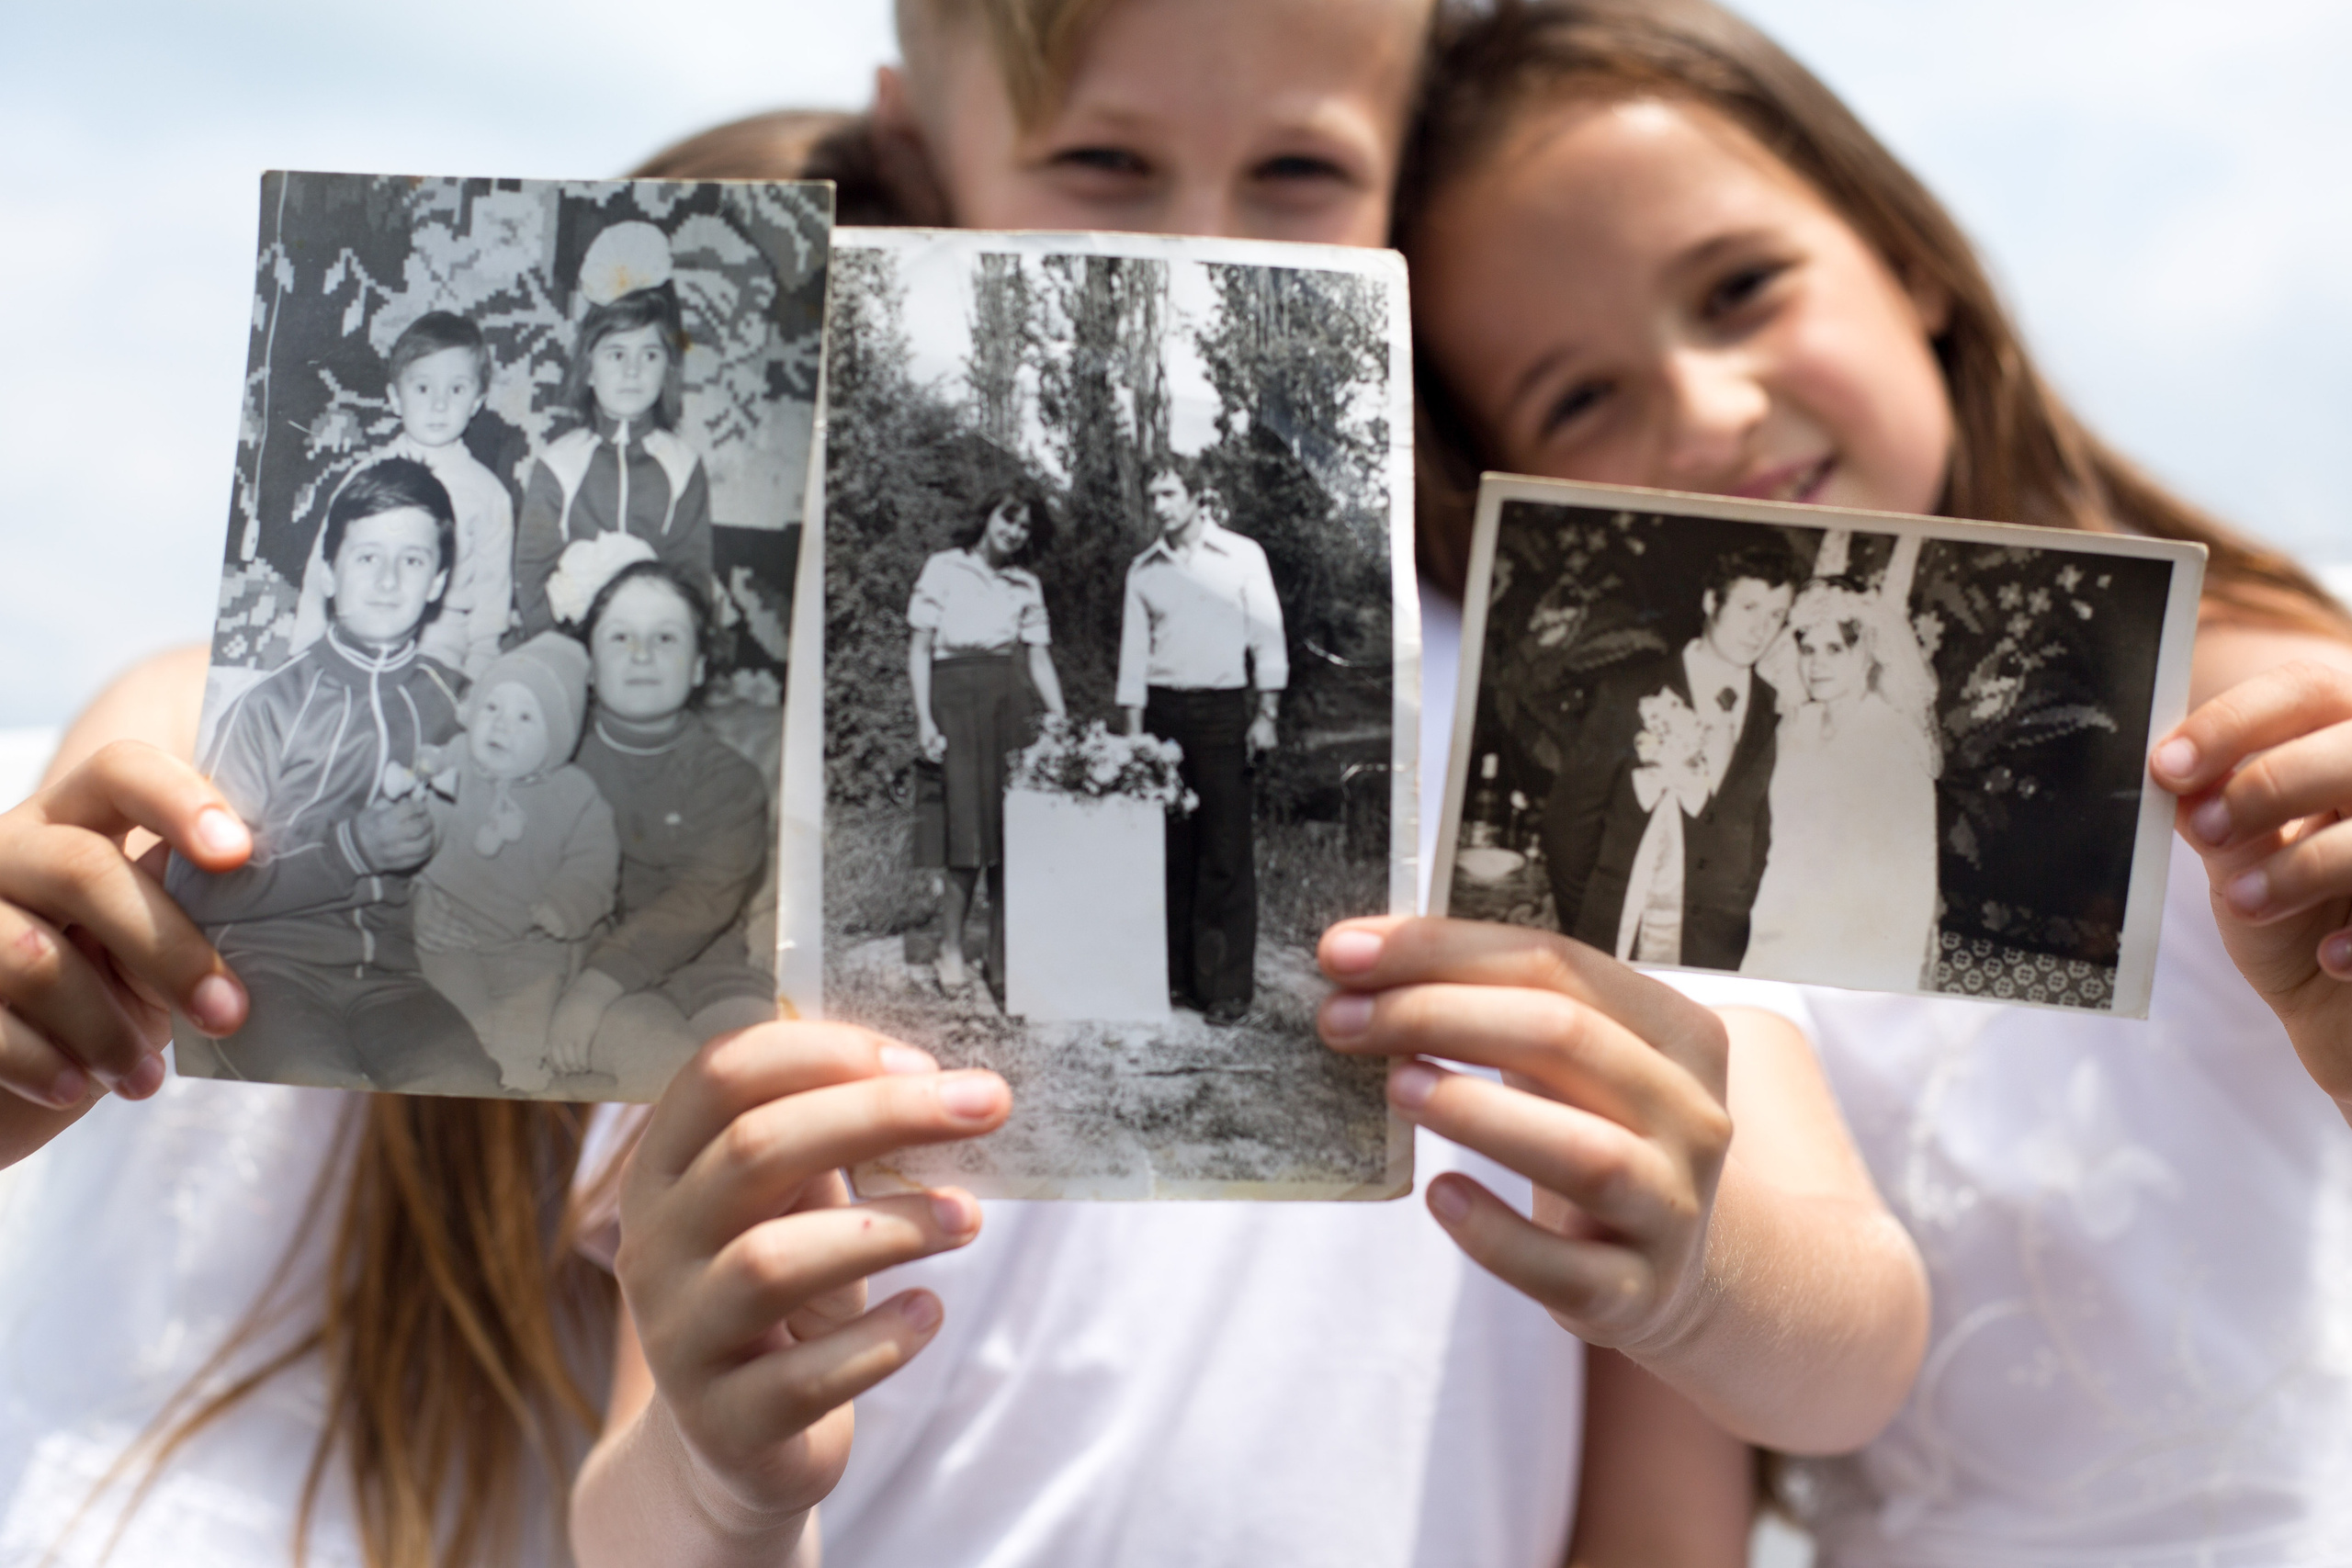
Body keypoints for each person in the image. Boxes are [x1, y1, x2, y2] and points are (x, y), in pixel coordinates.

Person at [0, 5, 1913, 1565]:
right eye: (1104, 161)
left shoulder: (1537, 676)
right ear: (921, 148)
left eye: (1300, 170)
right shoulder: (764, 725)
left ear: (1393, 176)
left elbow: (1813, 1362)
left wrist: (1697, 1267)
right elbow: (654, 1474)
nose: (1195, 233)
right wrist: (732, 1482)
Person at [1398, 0, 2352, 1560]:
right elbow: (1684, 1500)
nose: (1708, 410)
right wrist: (1684, 1269)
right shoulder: (1673, 873)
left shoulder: (2276, 717)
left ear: (1906, 255)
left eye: (1739, 288)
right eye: (1578, 397)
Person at [165, 458, 503, 1097]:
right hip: (266, 971)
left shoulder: (464, 707)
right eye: (367, 556)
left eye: (411, 560)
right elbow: (192, 890)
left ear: (438, 579)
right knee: (308, 1080)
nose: (387, 580)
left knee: (468, 1078)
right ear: (328, 570)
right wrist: (351, 850)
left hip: (397, 979)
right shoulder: (270, 706)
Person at [544, 560, 775, 1086]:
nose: (642, 654)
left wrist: (597, 983)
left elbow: (703, 896)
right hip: (598, 981)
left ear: (698, 667)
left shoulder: (730, 778)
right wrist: (591, 987)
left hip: (713, 970)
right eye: (620, 636)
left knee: (759, 1071)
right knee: (666, 1066)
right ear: (589, 665)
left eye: (665, 637)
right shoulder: (553, 767)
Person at [1543, 542, 1795, 968]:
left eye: (1776, 616)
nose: (1761, 630)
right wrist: (1591, 920)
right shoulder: (1629, 694)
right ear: (1711, 601)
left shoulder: (1778, 711)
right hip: (1619, 934)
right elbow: (1569, 825)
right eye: (1749, 608)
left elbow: (1763, 832)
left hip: (1718, 952)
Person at [413, 631, 621, 1093]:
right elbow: (418, 834)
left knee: (525, 1030)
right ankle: (467, 1082)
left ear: (558, 736)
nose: (501, 725)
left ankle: (518, 1082)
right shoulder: (455, 762)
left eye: (526, 716)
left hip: (531, 942)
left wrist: (567, 903)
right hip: (451, 935)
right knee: (460, 1025)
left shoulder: (575, 795)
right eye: (491, 707)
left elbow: (593, 864)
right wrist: (419, 893)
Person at [1114, 457, 1283, 1021]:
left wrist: (1267, 713)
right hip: (1163, 713)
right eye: (1152, 496)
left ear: (1197, 497)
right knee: (1169, 847)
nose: (1158, 506)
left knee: (1224, 849)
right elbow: (1133, 660)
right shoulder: (1144, 571)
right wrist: (1135, 738)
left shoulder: (1242, 557)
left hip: (1222, 713)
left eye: (1168, 494)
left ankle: (1225, 988)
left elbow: (1267, 639)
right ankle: (1176, 979)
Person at [1740, 540, 1942, 991]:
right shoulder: (1795, 727)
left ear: (1866, 652)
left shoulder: (1893, 738)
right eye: (1808, 650)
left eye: (1834, 649)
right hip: (1775, 927)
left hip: (1853, 944)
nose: (1817, 665)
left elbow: (1911, 878)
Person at [288, 310, 516, 682]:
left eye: (457, 389)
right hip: (359, 635)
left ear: (476, 402)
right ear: (395, 398)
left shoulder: (489, 495)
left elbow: (492, 598)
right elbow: (321, 570)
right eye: (423, 388)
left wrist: (478, 673)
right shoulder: (365, 477)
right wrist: (303, 656)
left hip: (439, 647)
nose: (439, 404)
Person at [514, 222, 714, 637]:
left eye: (650, 355)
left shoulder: (683, 467)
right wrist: (554, 640)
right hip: (565, 636)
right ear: (589, 368)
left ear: (668, 368)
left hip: (649, 635)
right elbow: (531, 576)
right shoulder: (558, 464)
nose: (632, 370)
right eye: (616, 354)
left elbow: (692, 576)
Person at [908, 476, 1068, 995]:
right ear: (988, 516)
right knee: (964, 832)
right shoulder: (943, 568)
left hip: (1006, 704)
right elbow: (919, 650)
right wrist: (925, 720)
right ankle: (950, 949)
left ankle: (1003, 960)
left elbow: (1038, 659)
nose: (1014, 531)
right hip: (952, 701)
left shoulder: (1026, 585)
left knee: (1009, 832)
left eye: (1025, 527)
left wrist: (1060, 718)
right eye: (1008, 518)